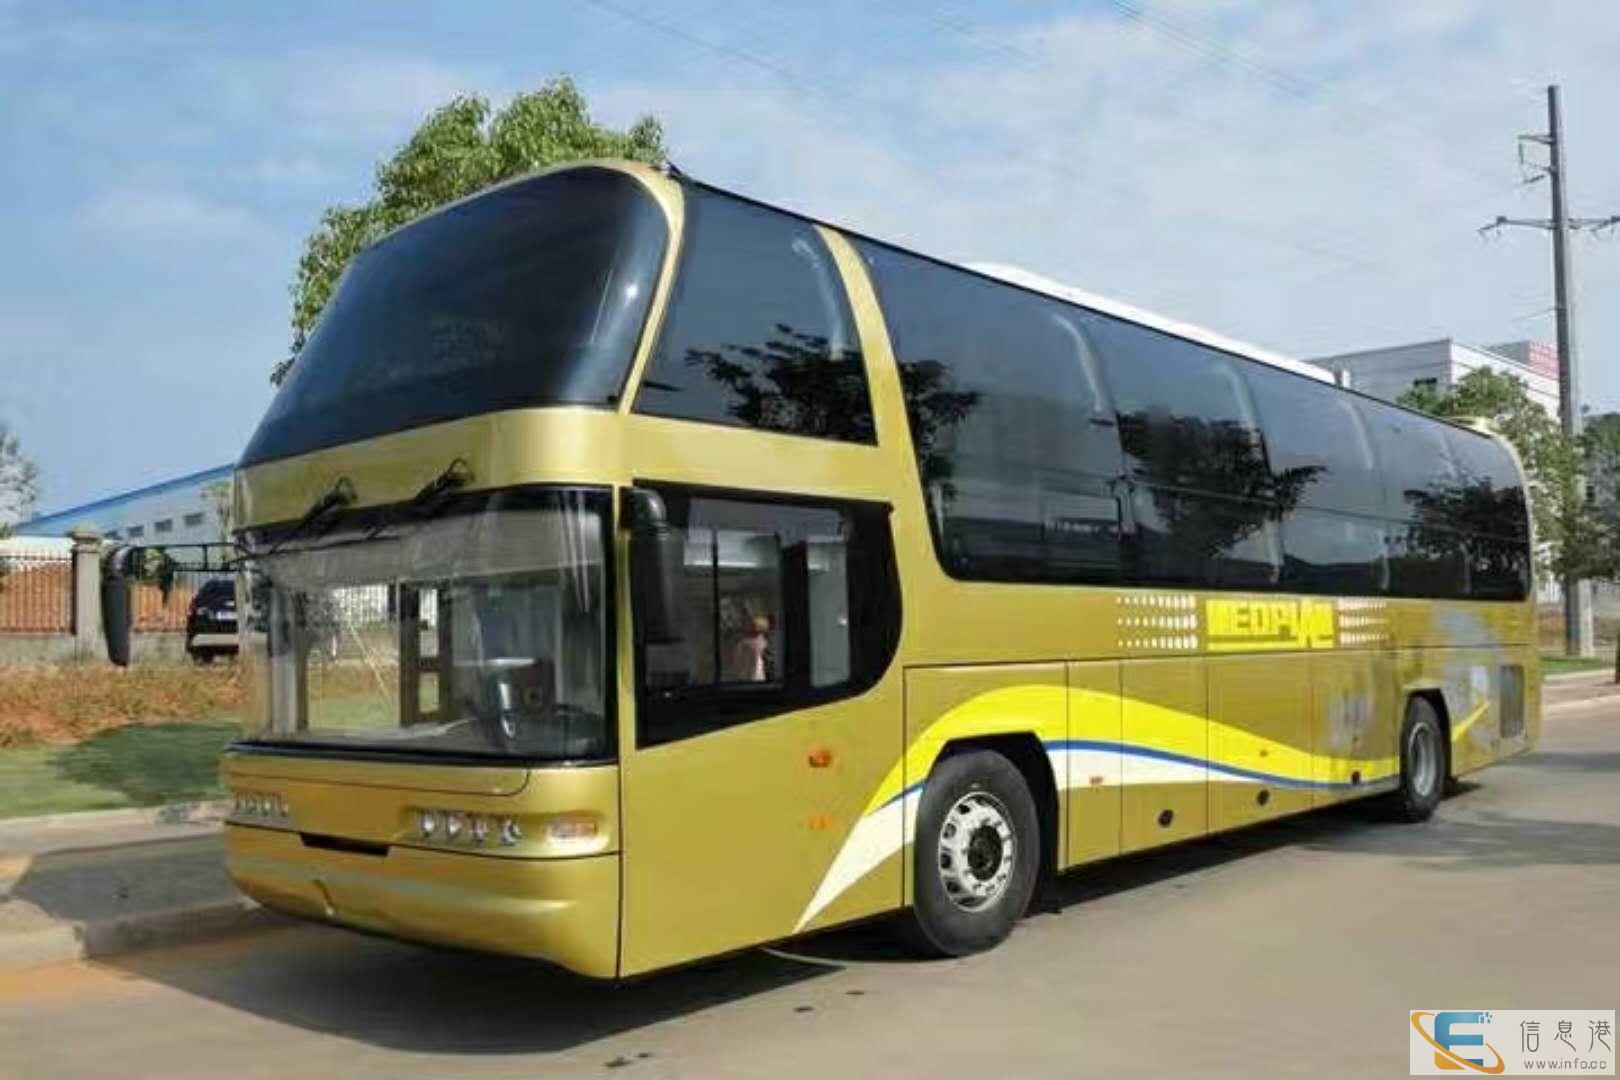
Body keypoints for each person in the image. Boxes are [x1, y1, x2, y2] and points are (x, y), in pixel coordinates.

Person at [731, 613, 775, 683]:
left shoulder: (764, 643)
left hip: (755, 676)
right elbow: (737, 662)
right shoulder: (743, 643)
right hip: (749, 676)